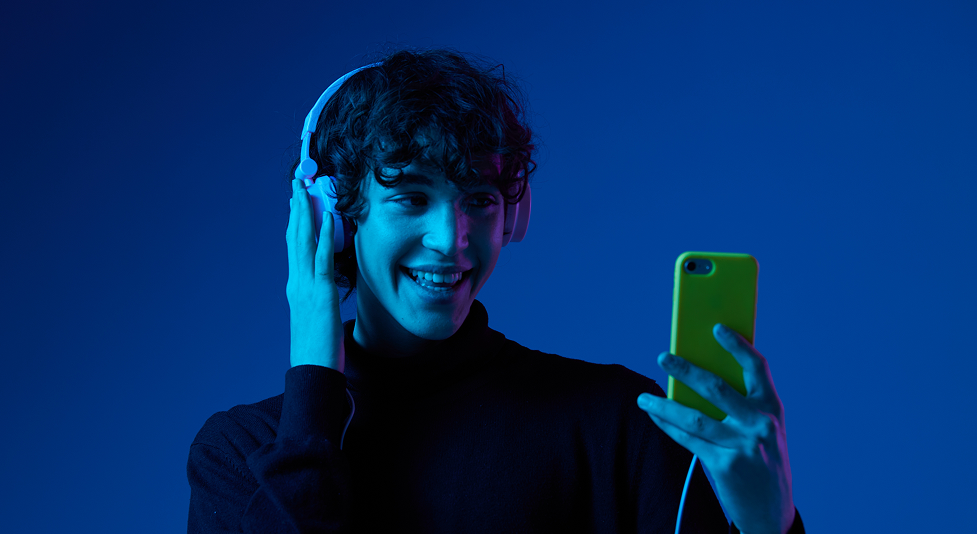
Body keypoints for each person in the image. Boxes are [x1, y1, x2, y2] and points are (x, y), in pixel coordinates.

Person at [187, 48, 805, 534]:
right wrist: (314, 364)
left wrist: (767, 525)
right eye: (412, 197)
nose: (452, 240)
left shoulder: (618, 425)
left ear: (513, 215)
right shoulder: (245, 453)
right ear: (337, 218)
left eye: (479, 201)